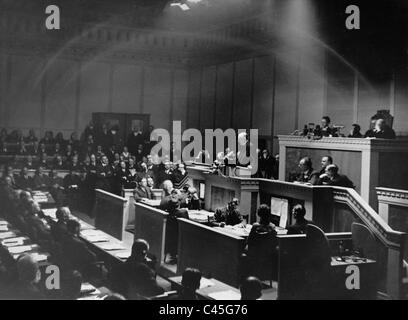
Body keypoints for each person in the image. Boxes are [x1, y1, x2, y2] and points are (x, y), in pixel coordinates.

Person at [245, 205, 278, 281]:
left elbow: (249, 241)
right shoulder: (272, 227)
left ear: (259, 214)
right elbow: (274, 242)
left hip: (255, 254)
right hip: (267, 254)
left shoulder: (255, 226)